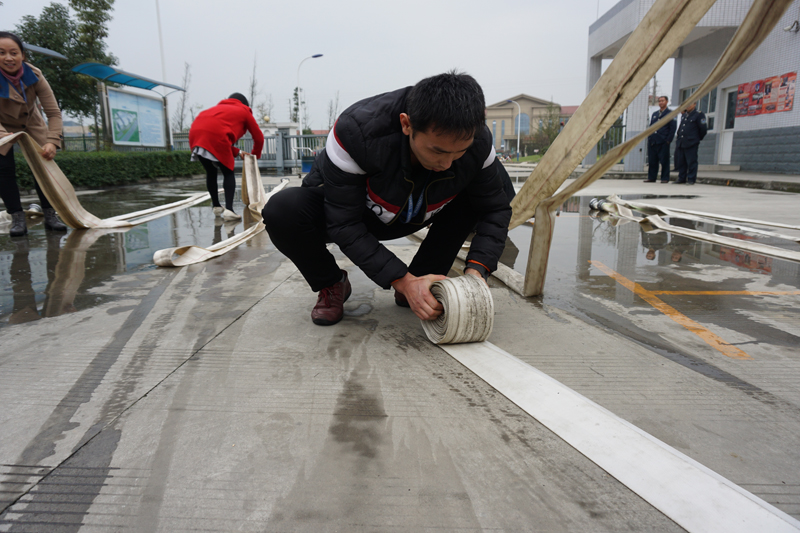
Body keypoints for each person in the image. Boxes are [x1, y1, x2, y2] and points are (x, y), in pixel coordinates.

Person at [263, 71, 512, 326]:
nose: (447, 163)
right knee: (283, 210)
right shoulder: (357, 131)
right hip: (359, 211)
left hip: (420, 212)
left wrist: (477, 272)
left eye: (459, 152)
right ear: (407, 124)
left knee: (481, 197)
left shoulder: (478, 141)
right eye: (437, 151)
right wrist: (400, 279)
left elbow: (495, 210)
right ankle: (331, 283)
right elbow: (344, 224)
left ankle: (423, 280)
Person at [0, 31, 67, 237]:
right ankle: (17, 217)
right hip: (1, 126)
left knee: (44, 166)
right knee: (4, 169)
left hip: (31, 123)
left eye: (14, 52)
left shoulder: (34, 75)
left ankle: (50, 214)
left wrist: (51, 141)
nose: (8, 58)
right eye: (1, 53)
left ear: (22, 55)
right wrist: (3, 134)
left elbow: (53, 113)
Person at [189, 92, 264, 220]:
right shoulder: (243, 111)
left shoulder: (214, 110)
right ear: (245, 104)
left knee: (211, 172)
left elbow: (214, 139)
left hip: (196, 137)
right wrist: (254, 158)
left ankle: (217, 206)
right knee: (228, 172)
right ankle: (229, 210)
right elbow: (259, 138)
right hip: (215, 137)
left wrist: (239, 152)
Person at [673, 101, 707, 185]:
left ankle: (691, 179)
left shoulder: (699, 114)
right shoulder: (684, 115)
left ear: (694, 104)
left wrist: (696, 139)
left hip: (691, 142)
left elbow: (703, 130)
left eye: (689, 103)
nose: (687, 106)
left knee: (691, 161)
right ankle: (681, 178)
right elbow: (681, 127)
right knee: (681, 162)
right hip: (682, 142)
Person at [644, 95, 676, 183]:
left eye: (663, 101)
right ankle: (651, 177)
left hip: (663, 141)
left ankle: (665, 178)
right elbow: (651, 127)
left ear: (667, 102)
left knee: (664, 161)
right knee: (652, 161)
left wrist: (668, 140)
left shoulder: (670, 114)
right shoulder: (655, 114)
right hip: (653, 141)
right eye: (660, 101)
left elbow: (672, 128)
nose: (661, 102)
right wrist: (650, 137)